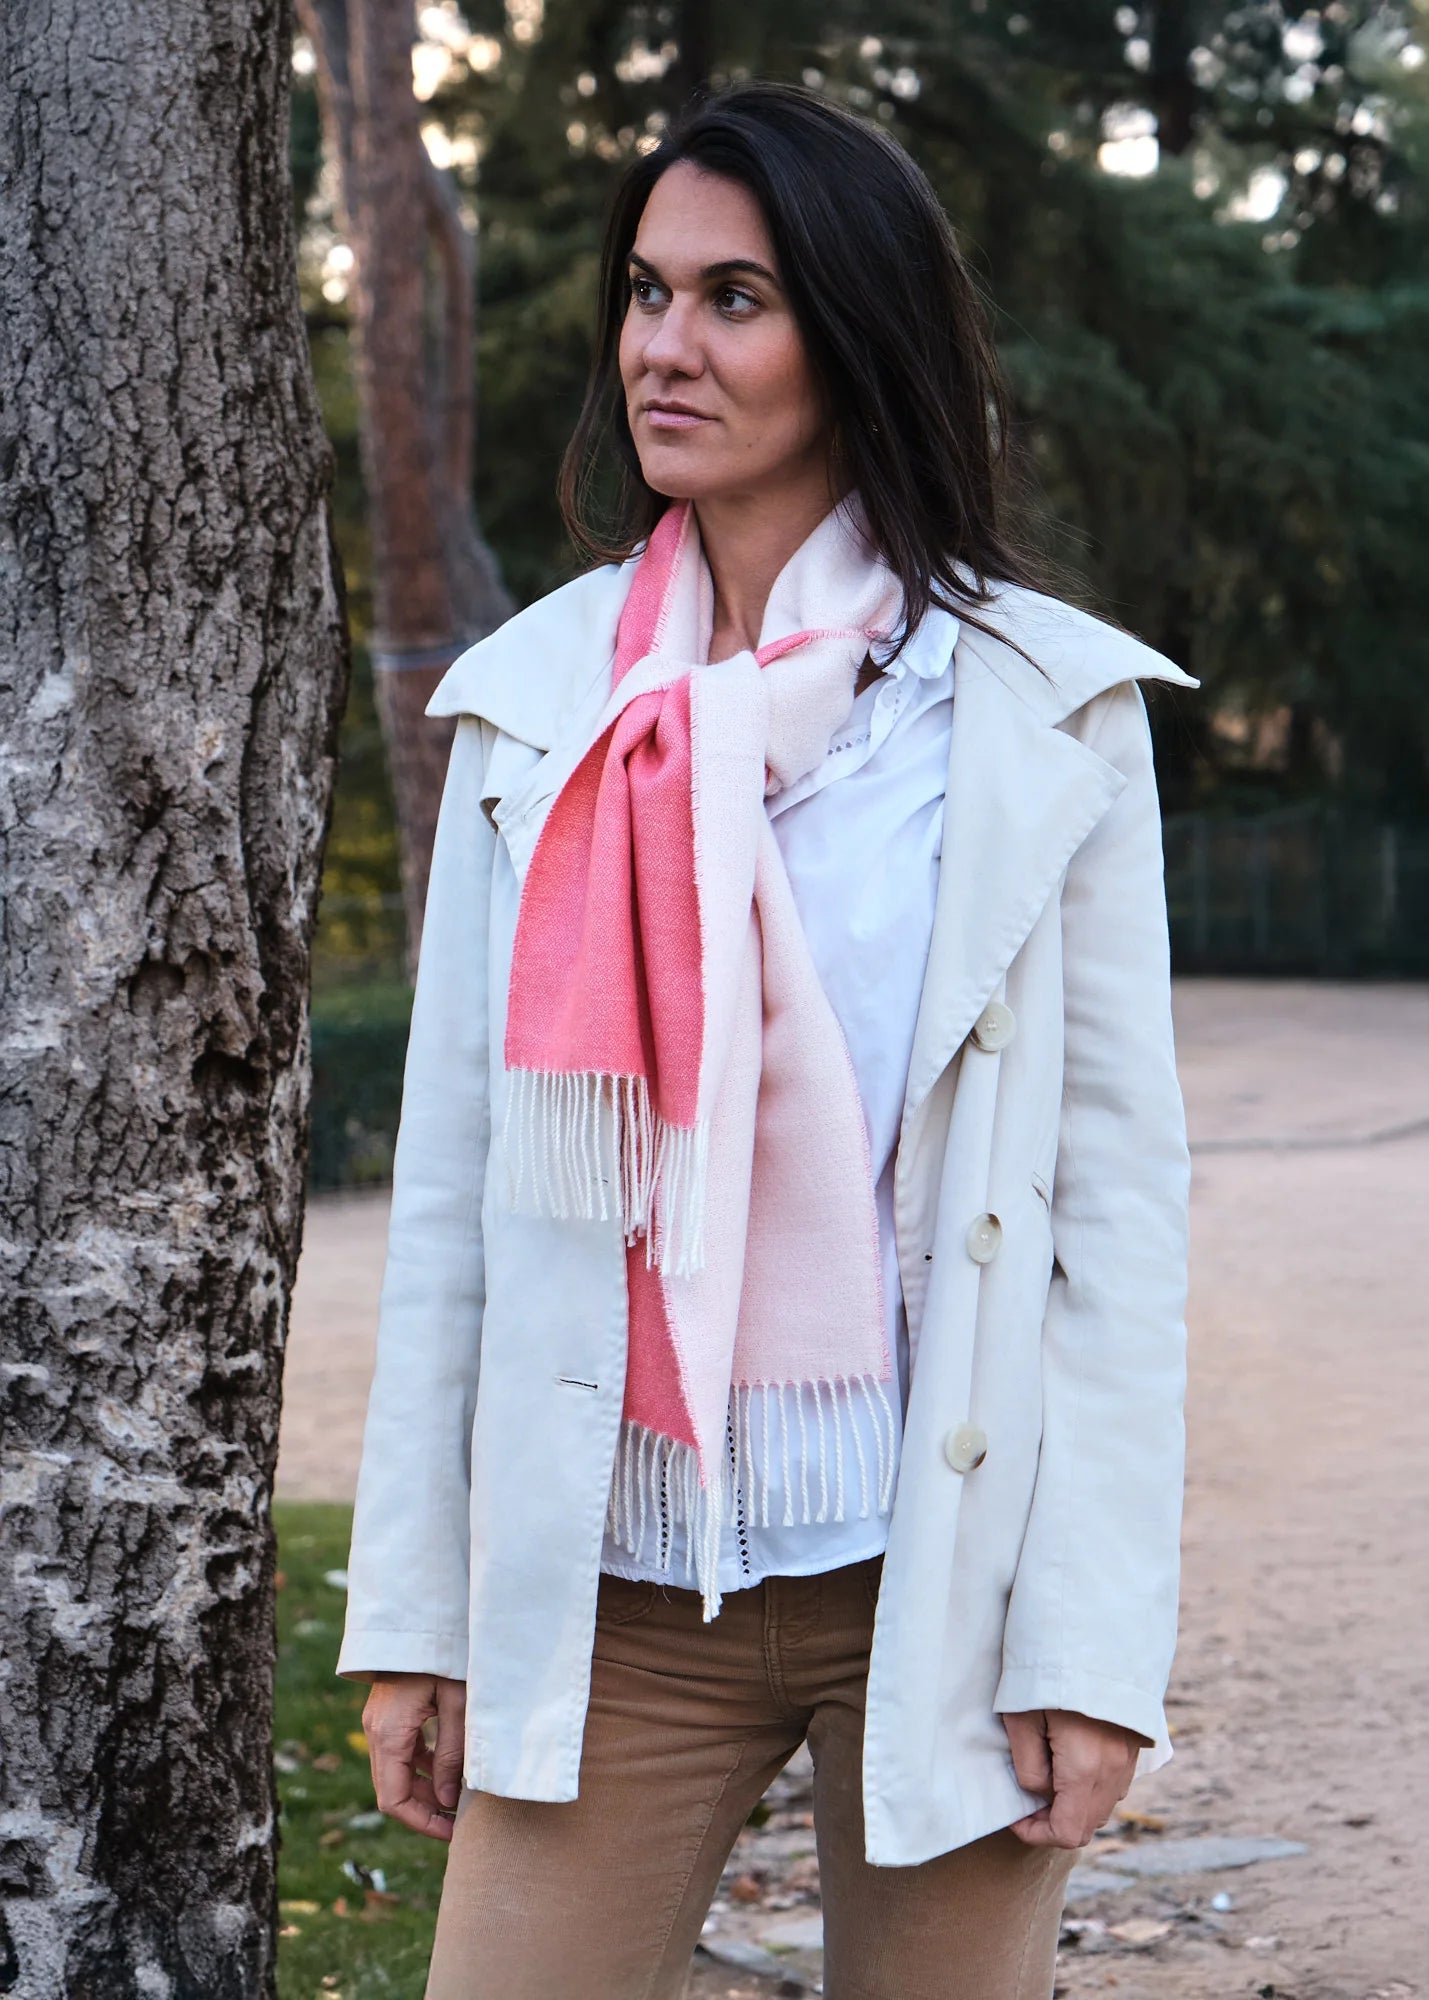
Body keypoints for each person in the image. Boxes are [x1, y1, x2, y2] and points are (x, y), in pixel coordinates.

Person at [336, 80, 1197, 2000]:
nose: (664, 345)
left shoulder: (1039, 711)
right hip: (618, 1576)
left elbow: (1114, 1220)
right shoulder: (535, 708)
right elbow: (458, 1195)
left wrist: (1084, 1645)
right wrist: (418, 1615)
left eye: (735, 299)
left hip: (936, 1571)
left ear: (854, 333)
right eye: (648, 293)